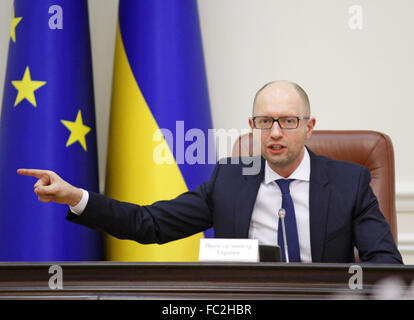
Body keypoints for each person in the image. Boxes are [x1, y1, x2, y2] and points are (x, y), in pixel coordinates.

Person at [18, 80, 403, 264]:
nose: (275, 133)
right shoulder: (231, 179)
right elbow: (148, 224)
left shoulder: (348, 182)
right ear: (252, 125)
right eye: (264, 121)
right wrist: (77, 198)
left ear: (309, 126)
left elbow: (385, 264)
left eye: (287, 121)